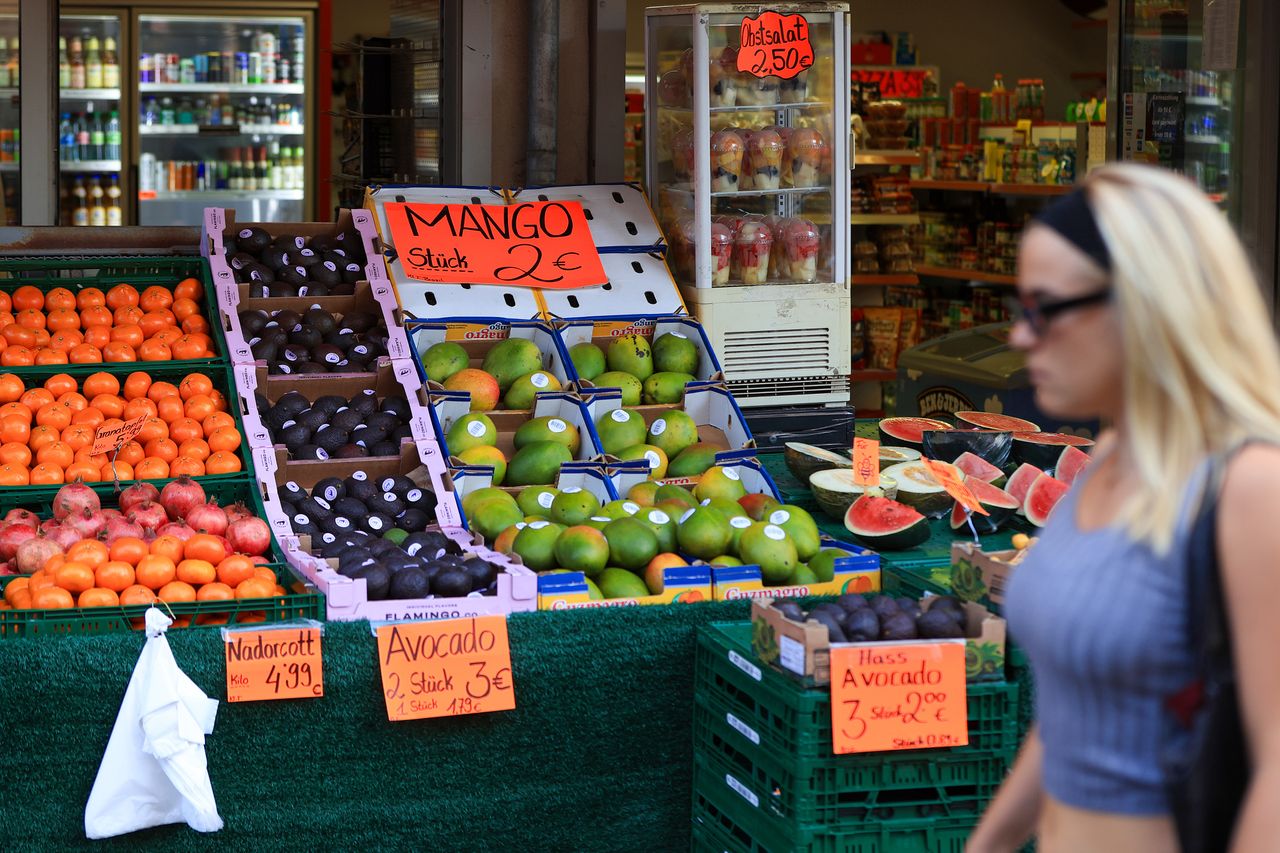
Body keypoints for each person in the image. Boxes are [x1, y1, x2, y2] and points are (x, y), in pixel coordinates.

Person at [966, 164, 1280, 852]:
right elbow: (1072, 712)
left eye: (1043, 309)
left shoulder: (1250, 486)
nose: (1020, 337)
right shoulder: (1107, 454)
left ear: (1144, 304)